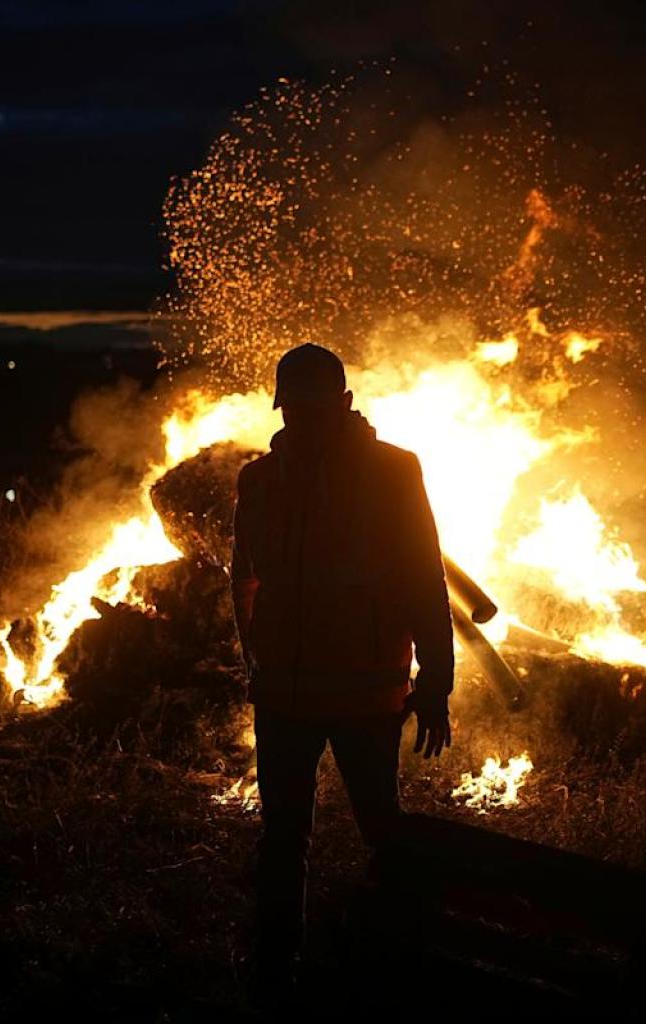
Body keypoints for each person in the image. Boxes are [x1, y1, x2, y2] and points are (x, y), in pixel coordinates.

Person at [230, 343, 455, 1004]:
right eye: (293, 408)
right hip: (284, 698)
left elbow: (424, 578)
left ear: (346, 404)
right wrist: (256, 659)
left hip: (367, 696)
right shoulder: (259, 480)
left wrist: (434, 684)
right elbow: (246, 577)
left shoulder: (393, 472)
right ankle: (277, 976)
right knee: (282, 841)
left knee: (382, 830)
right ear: (281, 407)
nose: (303, 420)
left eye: (315, 407)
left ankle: (397, 965)